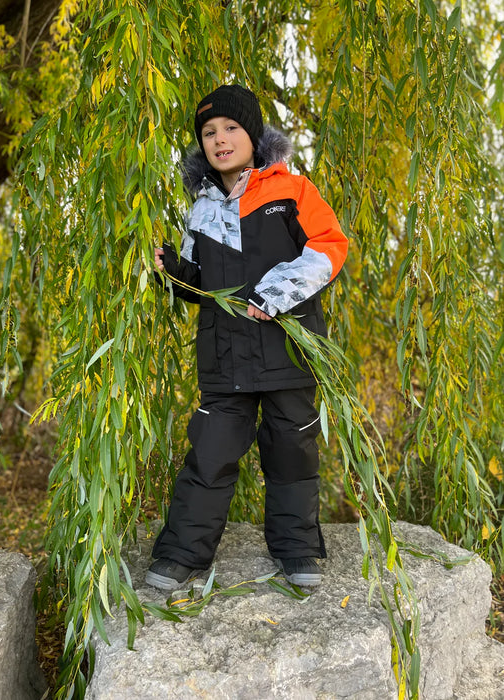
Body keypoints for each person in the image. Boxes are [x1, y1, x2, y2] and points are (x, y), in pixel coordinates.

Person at [146, 84, 348, 590]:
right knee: (210, 455)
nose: (220, 139)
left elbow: (329, 247)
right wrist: (172, 270)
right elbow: (203, 287)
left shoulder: (292, 191)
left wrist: (272, 293)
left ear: (254, 134)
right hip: (225, 359)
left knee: (292, 454)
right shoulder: (200, 209)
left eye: (231, 128)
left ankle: (297, 550)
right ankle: (182, 553)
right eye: (209, 132)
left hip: (287, 350)